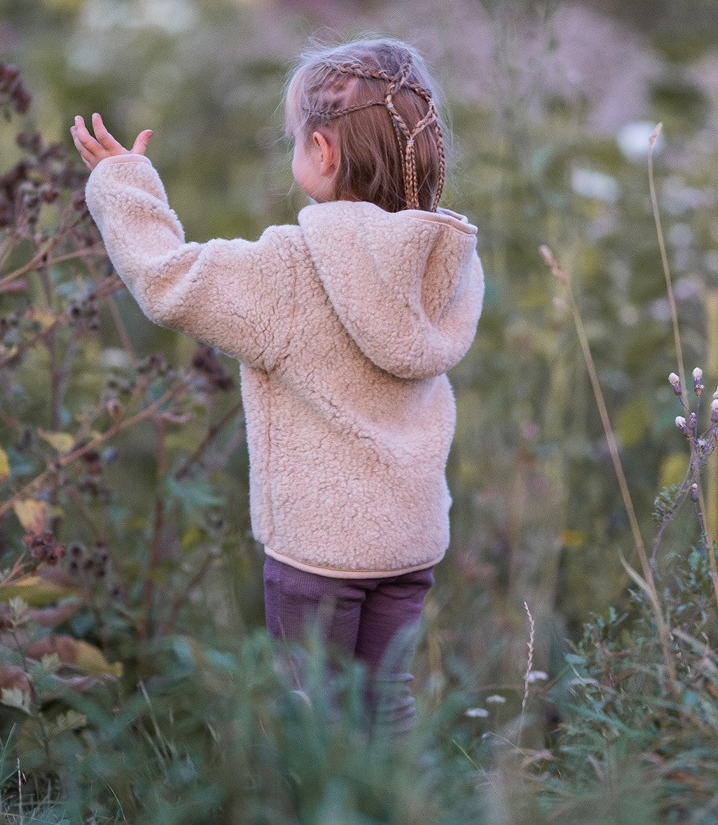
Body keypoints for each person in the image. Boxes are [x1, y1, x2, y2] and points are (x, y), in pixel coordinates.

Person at [71, 38, 484, 734]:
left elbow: (170, 281)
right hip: (410, 541)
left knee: (313, 720)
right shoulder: (449, 263)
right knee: (387, 706)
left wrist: (125, 183)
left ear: (322, 153)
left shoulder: (295, 269)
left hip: (319, 552)